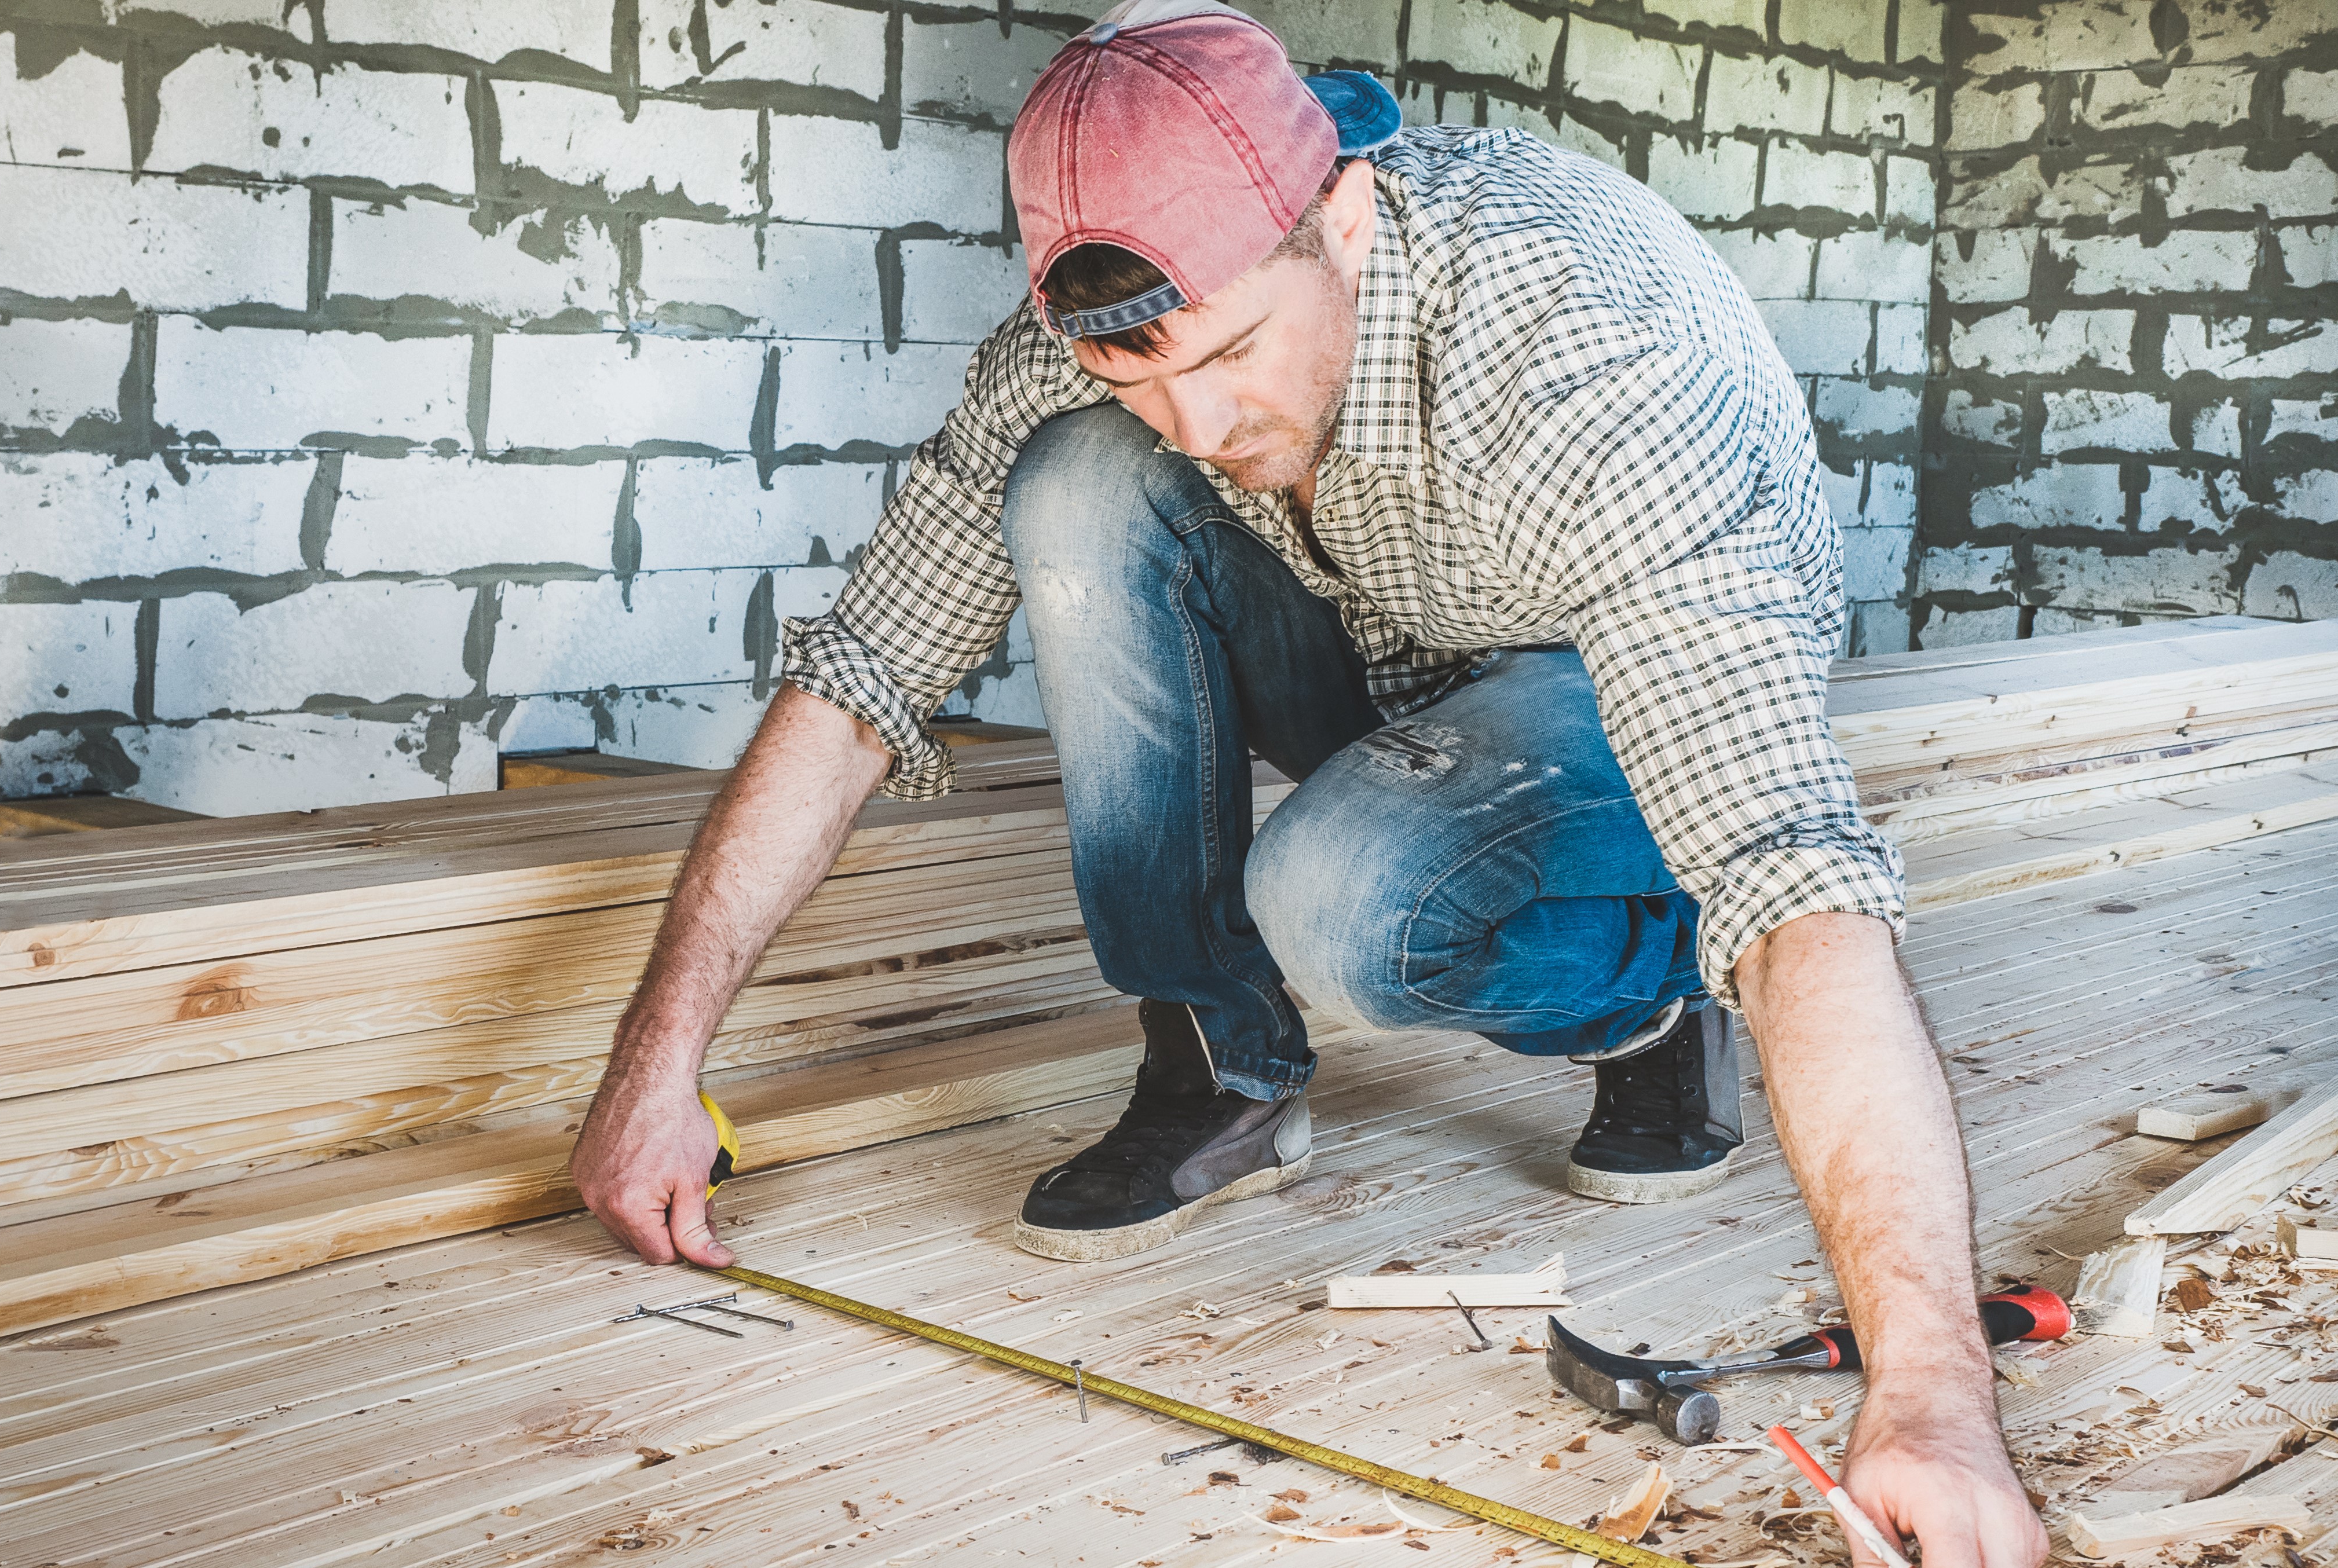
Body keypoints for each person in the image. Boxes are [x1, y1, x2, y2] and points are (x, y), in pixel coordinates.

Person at [570, 5, 2048, 1564]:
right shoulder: (1096, 365)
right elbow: (862, 679)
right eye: (1139, 371)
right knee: (1074, 476)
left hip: (1624, 680)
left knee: (1344, 895)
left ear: (1338, 215)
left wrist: (1934, 1398)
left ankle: (1654, 1007)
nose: (1199, 426)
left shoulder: (1593, 359)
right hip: (1403, 641)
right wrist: (654, 1064)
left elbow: (1786, 865)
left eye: (1227, 354)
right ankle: (1220, 1062)